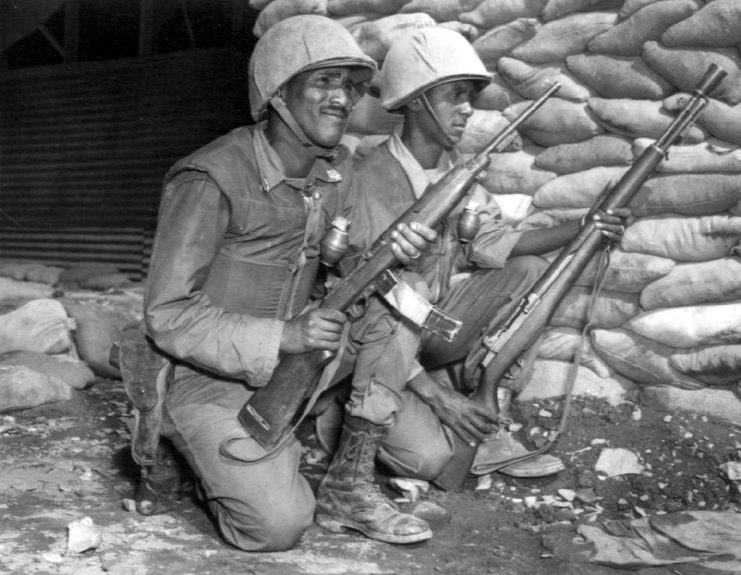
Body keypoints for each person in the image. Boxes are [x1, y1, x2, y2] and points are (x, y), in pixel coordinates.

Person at [142, 15, 436, 551]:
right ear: (278, 92)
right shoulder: (211, 177)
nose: (343, 99)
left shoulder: (334, 174)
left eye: (350, 86)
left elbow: (349, 270)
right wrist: (283, 337)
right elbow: (168, 315)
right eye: (325, 82)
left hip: (299, 362)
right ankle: (178, 446)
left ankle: (348, 479)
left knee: (404, 300)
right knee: (279, 526)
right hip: (207, 378)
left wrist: (398, 254)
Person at [339, 27, 632, 484]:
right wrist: (437, 397)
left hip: (430, 329)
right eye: (454, 95)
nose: (467, 108)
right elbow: (367, 310)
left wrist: (584, 226)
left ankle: (491, 409)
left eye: (469, 96)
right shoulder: (372, 180)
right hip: (377, 347)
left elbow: (496, 241)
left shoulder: (456, 171)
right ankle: (339, 419)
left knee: (535, 274)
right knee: (430, 461)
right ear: (415, 100)